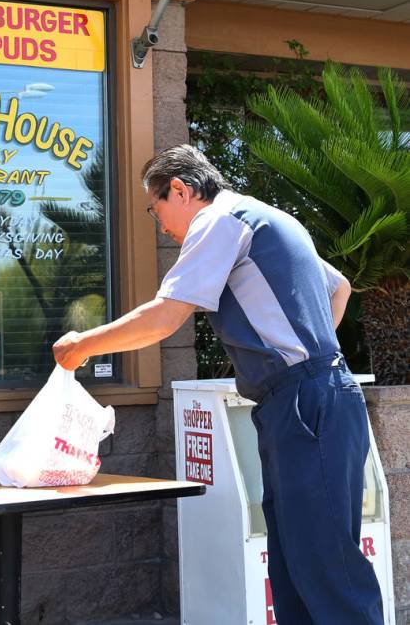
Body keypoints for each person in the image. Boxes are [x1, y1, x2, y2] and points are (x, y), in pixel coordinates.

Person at [53, 144, 384, 625]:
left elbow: (165, 318)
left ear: (181, 190)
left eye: (156, 208)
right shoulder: (272, 217)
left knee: (329, 577)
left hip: (304, 403)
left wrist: (83, 344)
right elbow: (339, 288)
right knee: (297, 570)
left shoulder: (218, 220)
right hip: (309, 399)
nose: (161, 225)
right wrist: (312, 357)